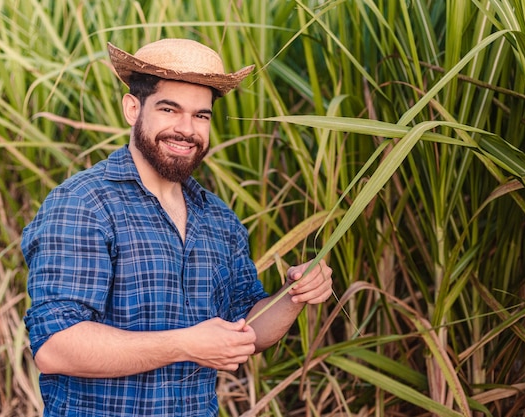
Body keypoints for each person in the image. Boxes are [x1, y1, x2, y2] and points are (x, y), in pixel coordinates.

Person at [22, 38, 333, 416]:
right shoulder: (83, 204)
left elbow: (247, 329)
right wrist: (186, 344)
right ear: (132, 109)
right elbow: (56, 347)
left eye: (201, 116)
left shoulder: (218, 219)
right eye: (170, 109)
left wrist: (294, 294)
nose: (187, 129)